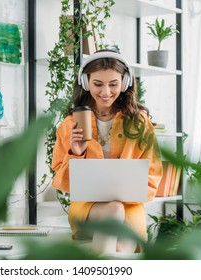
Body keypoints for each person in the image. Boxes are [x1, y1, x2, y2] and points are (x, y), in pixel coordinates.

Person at [51, 49, 163, 254]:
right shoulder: (70, 125)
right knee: (113, 209)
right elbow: (62, 182)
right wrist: (76, 154)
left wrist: (122, 195)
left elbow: (153, 175)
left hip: (130, 208)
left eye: (113, 84)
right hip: (88, 209)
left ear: (125, 82)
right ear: (85, 82)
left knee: (121, 245)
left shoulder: (140, 124)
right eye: (98, 84)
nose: (105, 92)